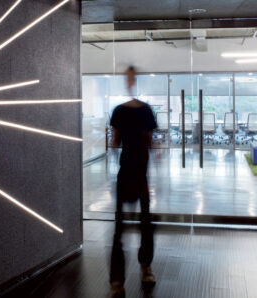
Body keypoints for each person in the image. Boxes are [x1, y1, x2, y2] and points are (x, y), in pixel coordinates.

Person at [109, 66, 157, 297]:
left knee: (142, 222)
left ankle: (140, 268)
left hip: (136, 173)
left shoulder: (128, 111)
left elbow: (116, 142)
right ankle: (119, 281)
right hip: (130, 172)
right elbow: (147, 142)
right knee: (124, 226)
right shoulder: (134, 111)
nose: (129, 80)